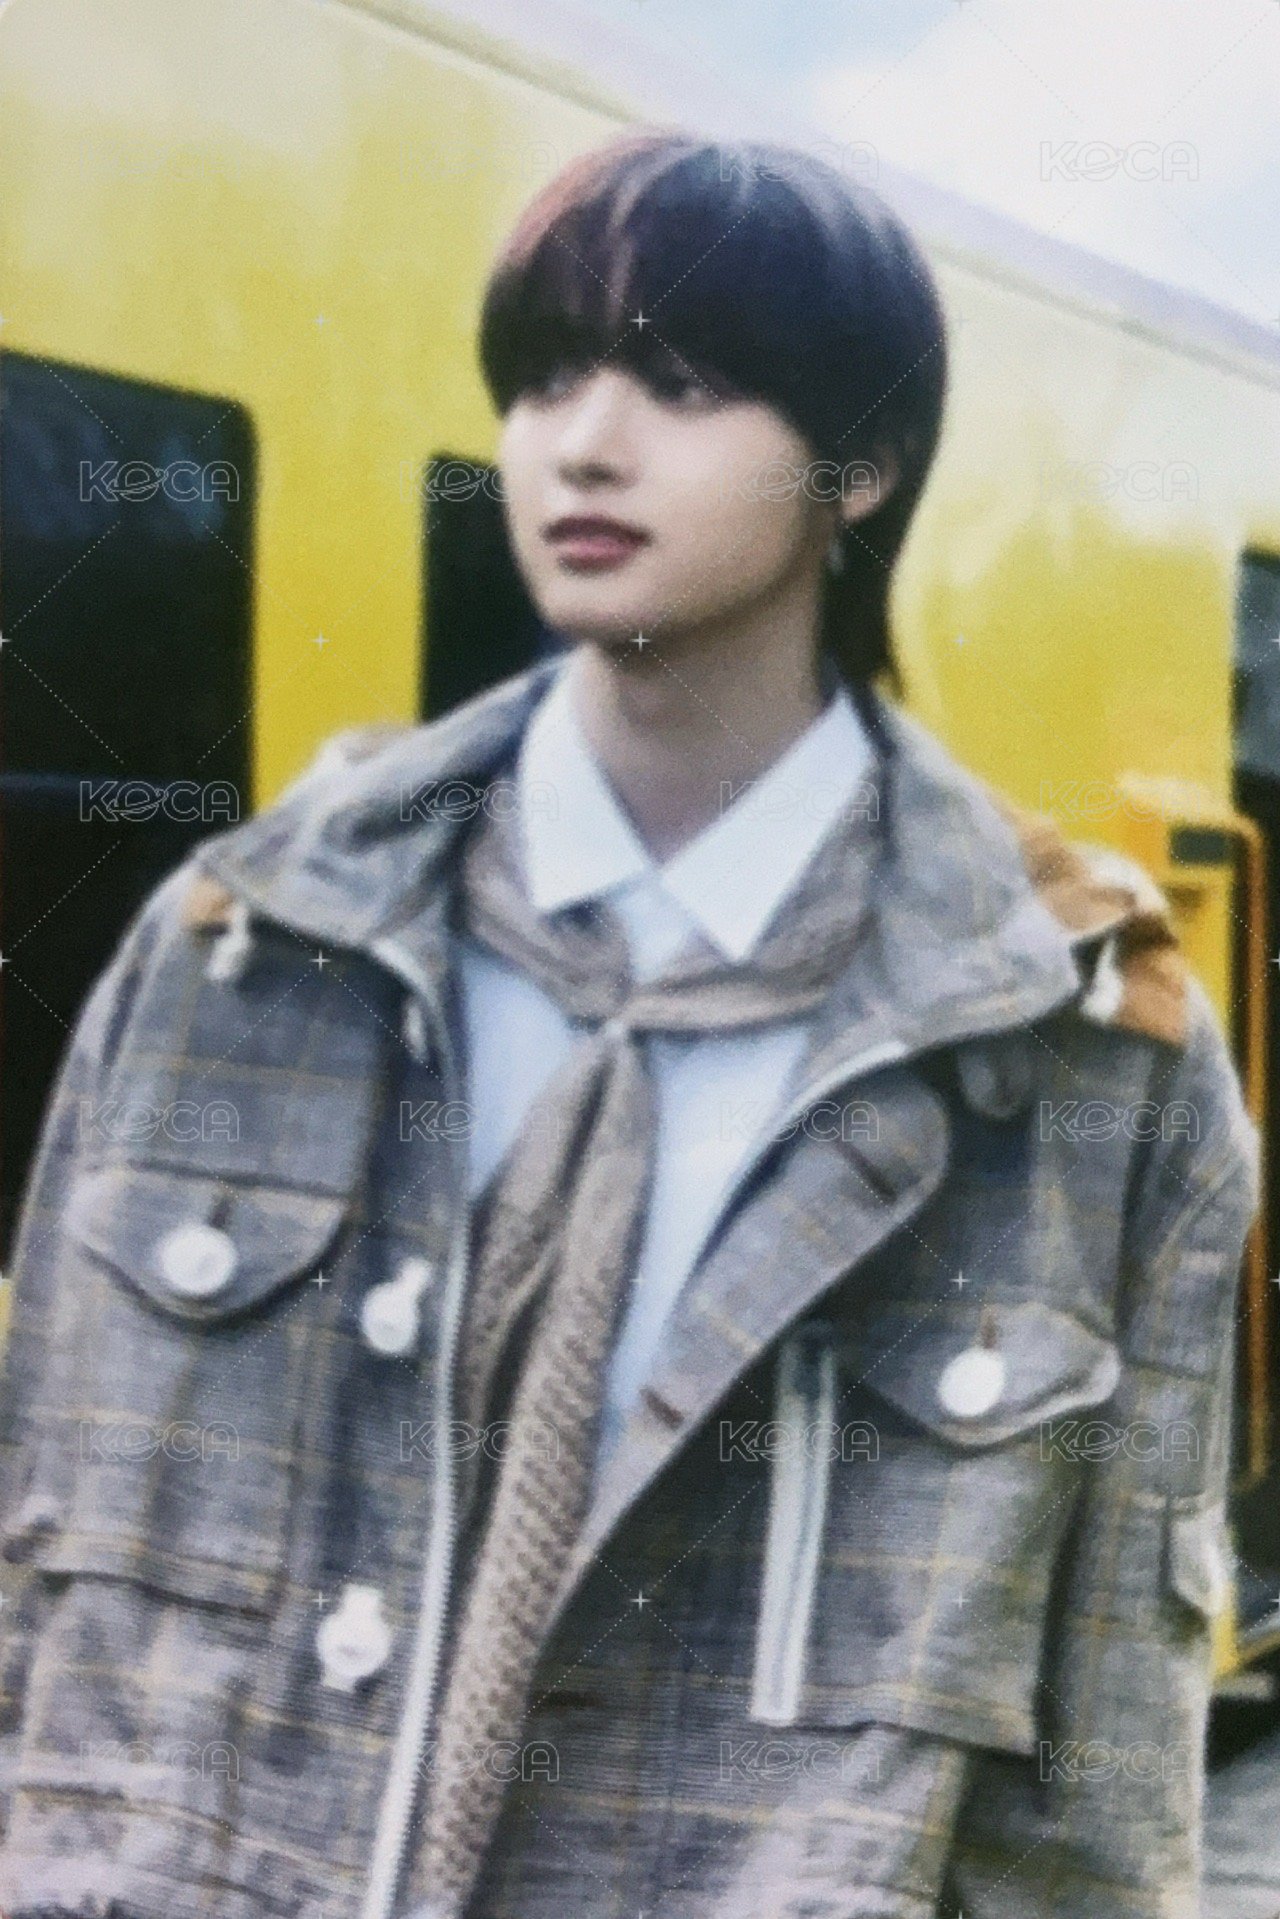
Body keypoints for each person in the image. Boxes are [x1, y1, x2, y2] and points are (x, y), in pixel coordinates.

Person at [0, 130, 1259, 1919]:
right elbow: (33, 1576)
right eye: (543, 379)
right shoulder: (243, 949)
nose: (581, 444)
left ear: (862, 466)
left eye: (681, 385)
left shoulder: (1083, 1052)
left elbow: (1101, 1786)